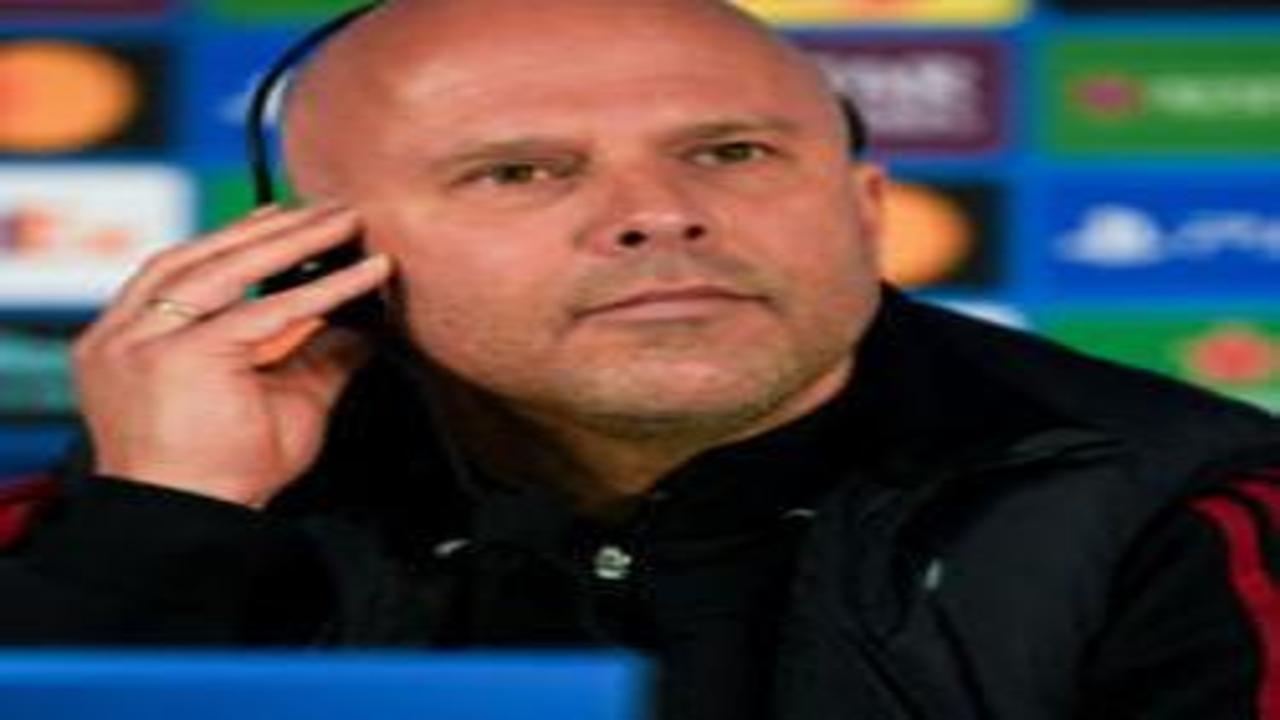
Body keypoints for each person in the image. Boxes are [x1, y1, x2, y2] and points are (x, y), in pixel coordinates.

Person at [0, 1, 1277, 718]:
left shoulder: (1192, 514)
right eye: (519, 172)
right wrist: (161, 528)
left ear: (864, 211)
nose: (658, 214)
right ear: (320, 258)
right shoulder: (130, 510)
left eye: (730, 154)